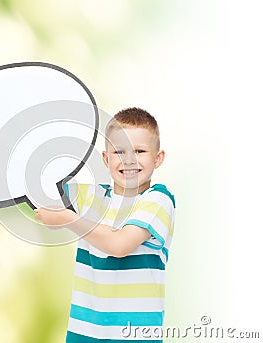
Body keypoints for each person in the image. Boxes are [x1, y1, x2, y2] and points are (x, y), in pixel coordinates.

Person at [35, 107, 175, 342]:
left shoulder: (158, 199)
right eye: (119, 151)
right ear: (105, 158)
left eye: (140, 151)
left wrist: (68, 218)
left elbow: (119, 245)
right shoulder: (90, 197)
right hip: (84, 333)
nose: (129, 160)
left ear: (158, 158)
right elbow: (45, 194)